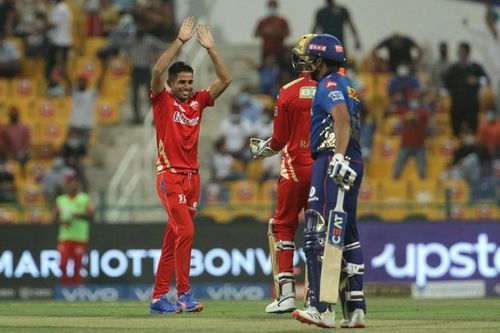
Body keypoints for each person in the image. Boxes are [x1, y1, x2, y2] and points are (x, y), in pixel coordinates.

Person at [148, 16, 231, 314]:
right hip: (169, 176)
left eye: (189, 82)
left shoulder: (198, 101)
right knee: (187, 232)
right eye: (181, 82)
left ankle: (158, 298)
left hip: (193, 177)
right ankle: (184, 293)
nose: (186, 86)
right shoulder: (162, 101)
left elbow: (225, 80)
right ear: (170, 85)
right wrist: (181, 42)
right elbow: (157, 69)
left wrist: (211, 48)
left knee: (174, 237)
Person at [291, 34, 366, 328]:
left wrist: (336, 157)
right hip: (355, 160)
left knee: (318, 229)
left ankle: (321, 307)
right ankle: (356, 309)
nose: (307, 62)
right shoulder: (348, 84)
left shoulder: (330, 84)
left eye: (311, 57)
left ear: (321, 61)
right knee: (347, 234)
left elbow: (342, 119)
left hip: (332, 159)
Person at [250, 34, 317, 314]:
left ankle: (286, 294)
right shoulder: (335, 88)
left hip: (294, 167)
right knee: (319, 230)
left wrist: (260, 150)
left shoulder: (288, 91)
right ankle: (318, 297)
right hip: (323, 167)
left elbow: (278, 140)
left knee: (283, 226)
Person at [54, 171, 95, 286]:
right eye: (68, 182)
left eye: (72, 181)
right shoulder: (60, 200)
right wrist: (63, 222)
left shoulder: (84, 198)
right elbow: (55, 218)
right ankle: (65, 287)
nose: (70, 184)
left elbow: (91, 216)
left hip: (80, 237)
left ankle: (76, 289)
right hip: (65, 237)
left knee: (78, 266)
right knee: (62, 264)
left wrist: (78, 215)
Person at [444, 42, 488, 137]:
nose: (460, 54)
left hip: (471, 105)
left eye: (462, 51)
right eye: (459, 52)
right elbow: (446, 86)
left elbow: (486, 80)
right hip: (456, 105)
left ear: (467, 52)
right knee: (455, 132)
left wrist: (477, 81)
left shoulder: (475, 67)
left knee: (472, 131)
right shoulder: (453, 69)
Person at [254, 0, 290, 68]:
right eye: (270, 6)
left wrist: (278, 31)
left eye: (273, 6)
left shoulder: (282, 21)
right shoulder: (262, 21)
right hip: (266, 51)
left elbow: (287, 33)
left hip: (279, 51)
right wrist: (265, 31)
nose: (272, 8)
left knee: (281, 70)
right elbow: (255, 34)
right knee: (266, 69)